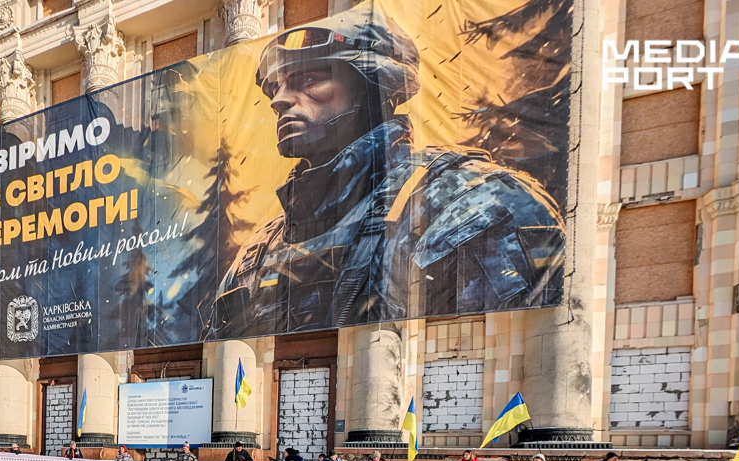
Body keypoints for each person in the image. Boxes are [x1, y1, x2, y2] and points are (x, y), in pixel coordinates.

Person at [207, 10, 565, 340]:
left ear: (372, 85)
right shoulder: (257, 254)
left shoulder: (474, 204)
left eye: (309, 79)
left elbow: (517, 361)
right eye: (277, 87)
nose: (279, 100)